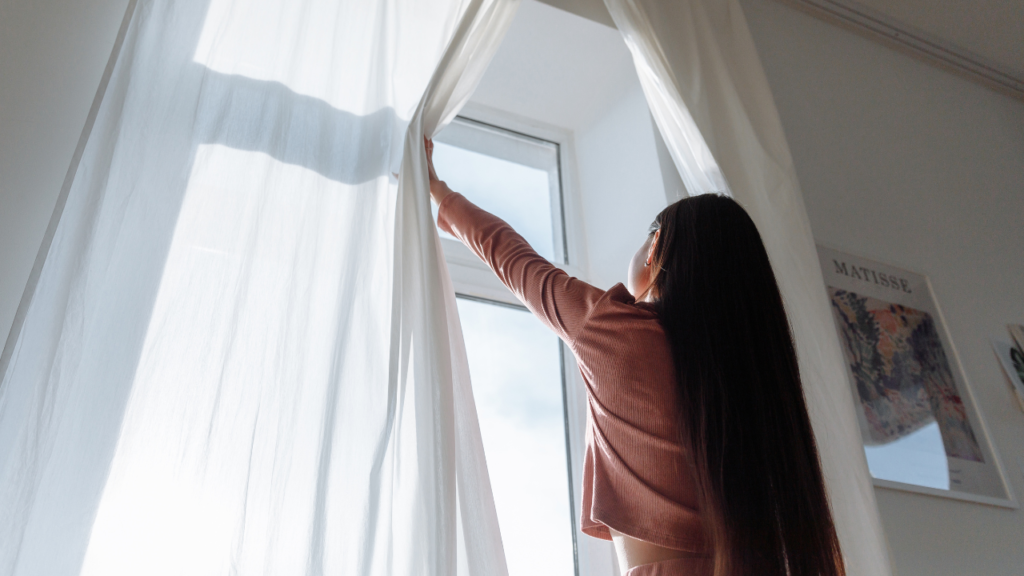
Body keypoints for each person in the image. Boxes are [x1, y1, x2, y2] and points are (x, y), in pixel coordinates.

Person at [425, 139, 845, 576]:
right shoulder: (754, 373)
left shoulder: (615, 331)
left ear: (656, 245)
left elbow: (513, 258)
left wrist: (439, 192)